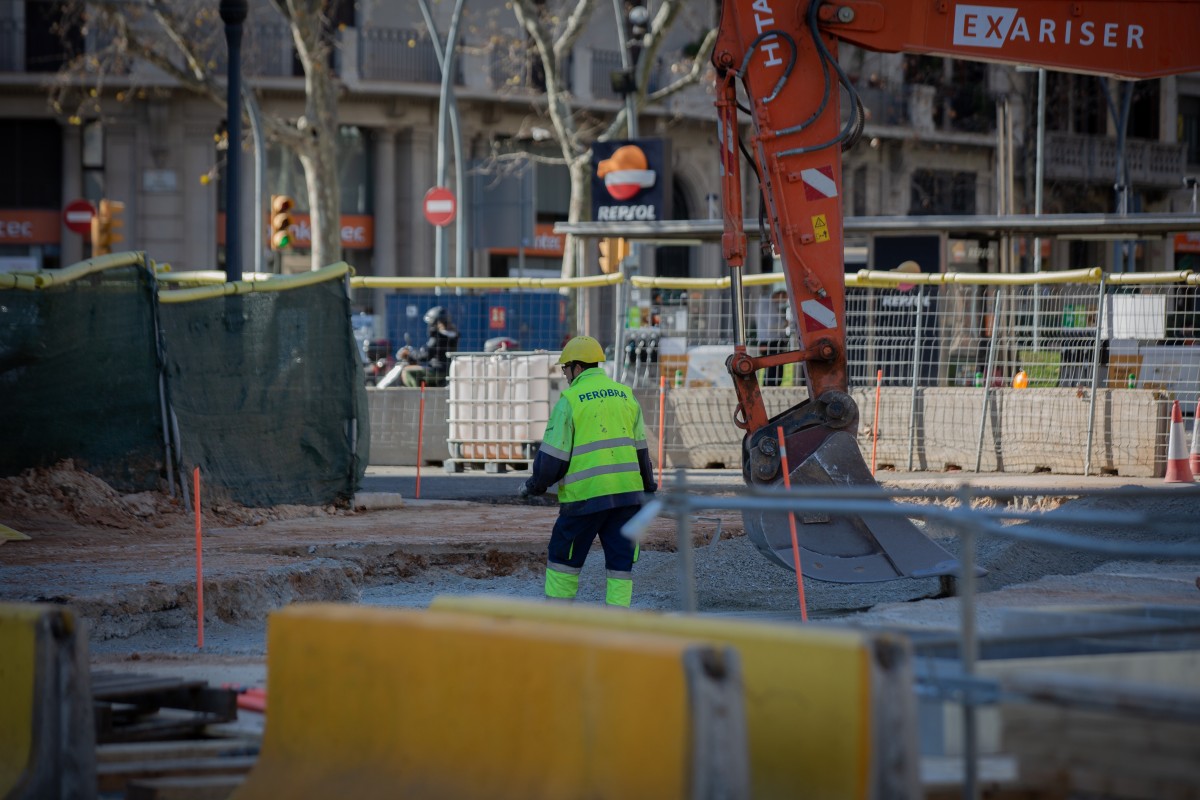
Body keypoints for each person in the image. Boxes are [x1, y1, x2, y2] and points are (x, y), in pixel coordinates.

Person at [519, 335, 657, 607]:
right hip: (627, 497)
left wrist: (535, 485)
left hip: (585, 499)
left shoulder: (570, 400)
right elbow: (641, 450)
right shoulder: (625, 395)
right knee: (621, 564)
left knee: (563, 560)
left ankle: (558, 620)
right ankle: (616, 625)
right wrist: (648, 488)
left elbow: (553, 459)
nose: (565, 375)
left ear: (577, 367)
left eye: (565, 369)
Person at [397, 306, 458, 387]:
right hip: (447, 370)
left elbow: (425, 355)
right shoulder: (453, 336)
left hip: (437, 371)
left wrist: (409, 353)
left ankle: (416, 395)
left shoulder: (438, 338)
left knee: (407, 371)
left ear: (436, 323)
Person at [753, 289, 790, 387]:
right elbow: (772, 325)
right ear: (780, 295)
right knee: (773, 368)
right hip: (770, 341)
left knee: (773, 368)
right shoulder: (766, 303)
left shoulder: (769, 303)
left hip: (770, 340)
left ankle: (771, 387)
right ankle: (771, 387)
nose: (784, 302)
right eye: (784, 299)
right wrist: (786, 323)